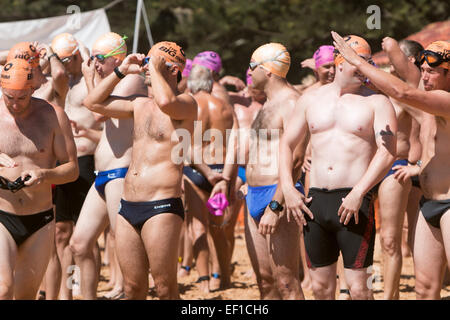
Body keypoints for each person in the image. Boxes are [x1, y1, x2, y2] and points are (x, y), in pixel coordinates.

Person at [332, 32, 450, 299]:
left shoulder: (446, 102)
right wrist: (420, 168)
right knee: (424, 290)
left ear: (448, 74)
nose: (424, 77)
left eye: (431, 72)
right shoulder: (428, 100)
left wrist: (359, 62)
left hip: (449, 204)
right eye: (422, 71)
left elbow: (401, 90)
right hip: (429, 205)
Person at [279, 35, 397, 300]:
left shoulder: (377, 101)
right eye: (360, 62)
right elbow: (286, 143)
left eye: (369, 63)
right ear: (340, 63)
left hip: (353, 201)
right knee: (321, 288)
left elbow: (388, 152)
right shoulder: (311, 99)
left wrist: (359, 192)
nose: (366, 69)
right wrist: (287, 186)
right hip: (315, 201)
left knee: (359, 288)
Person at [83, 41, 197, 299]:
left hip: (162, 204)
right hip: (128, 204)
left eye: (150, 63)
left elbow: (167, 101)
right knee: (133, 288)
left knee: (165, 288)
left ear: (172, 69)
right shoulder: (138, 104)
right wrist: (120, 71)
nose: (145, 68)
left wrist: (156, 68)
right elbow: (92, 102)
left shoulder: (187, 104)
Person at [69, 32, 147, 300]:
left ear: (117, 60)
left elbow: (97, 111)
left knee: (124, 245)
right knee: (79, 244)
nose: (94, 64)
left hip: (121, 172)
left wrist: (90, 79)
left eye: (99, 59)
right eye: (92, 57)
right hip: (103, 175)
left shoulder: (132, 81)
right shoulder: (112, 81)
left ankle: (131, 292)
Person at [0, 58, 78, 299]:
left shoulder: (53, 116)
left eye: (21, 98)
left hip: (40, 219)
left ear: (33, 89)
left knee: (26, 296)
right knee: (2, 289)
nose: (14, 104)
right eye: (8, 97)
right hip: (2, 215)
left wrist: (44, 174)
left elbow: (72, 169)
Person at [244, 43, 308, 300]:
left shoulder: (291, 102)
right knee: (265, 281)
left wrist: (275, 206)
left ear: (267, 70)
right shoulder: (267, 104)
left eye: (251, 66)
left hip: (276, 195)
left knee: (286, 282)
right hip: (254, 193)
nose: (248, 73)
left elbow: (296, 160)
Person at [50, 32, 103, 300]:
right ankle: (66, 292)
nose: (61, 66)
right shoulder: (63, 83)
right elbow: (57, 74)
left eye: (66, 60)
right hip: (65, 163)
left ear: (77, 56)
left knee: (86, 235)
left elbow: (105, 124)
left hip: (88, 160)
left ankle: (86, 291)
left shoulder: (90, 82)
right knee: (61, 232)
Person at [181, 63, 238, 292]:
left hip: (198, 170)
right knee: (218, 229)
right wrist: (224, 177)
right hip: (221, 169)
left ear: (192, 84)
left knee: (197, 228)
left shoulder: (188, 106)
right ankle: (224, 278)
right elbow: (236, 145)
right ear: (211, 83)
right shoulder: (225, 107)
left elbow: (187, 147)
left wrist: (206, 173)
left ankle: (204, 282)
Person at [375, 37, 424, 299]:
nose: (390, 66)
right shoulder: (388, 89)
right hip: (392, 166)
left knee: (416, 234)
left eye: (395, 60)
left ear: (411, 62)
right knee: (392, 237)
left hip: (407, 165)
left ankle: (419, 287)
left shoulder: (412, 88)